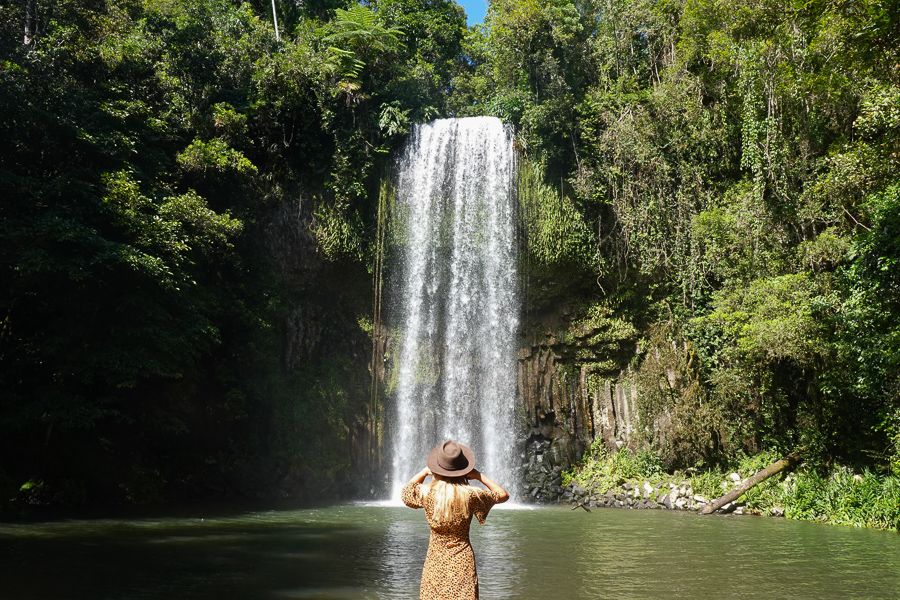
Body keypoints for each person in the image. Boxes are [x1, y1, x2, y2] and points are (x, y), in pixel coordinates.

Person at [401, 440, 510, 600]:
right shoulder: (471, 495)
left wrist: (424, 472)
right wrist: (479, 476)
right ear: (463, 470)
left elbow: (406, 492)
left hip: (435, 562)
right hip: (462, 561)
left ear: (436, 468)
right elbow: (503, 495)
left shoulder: (427, 493)